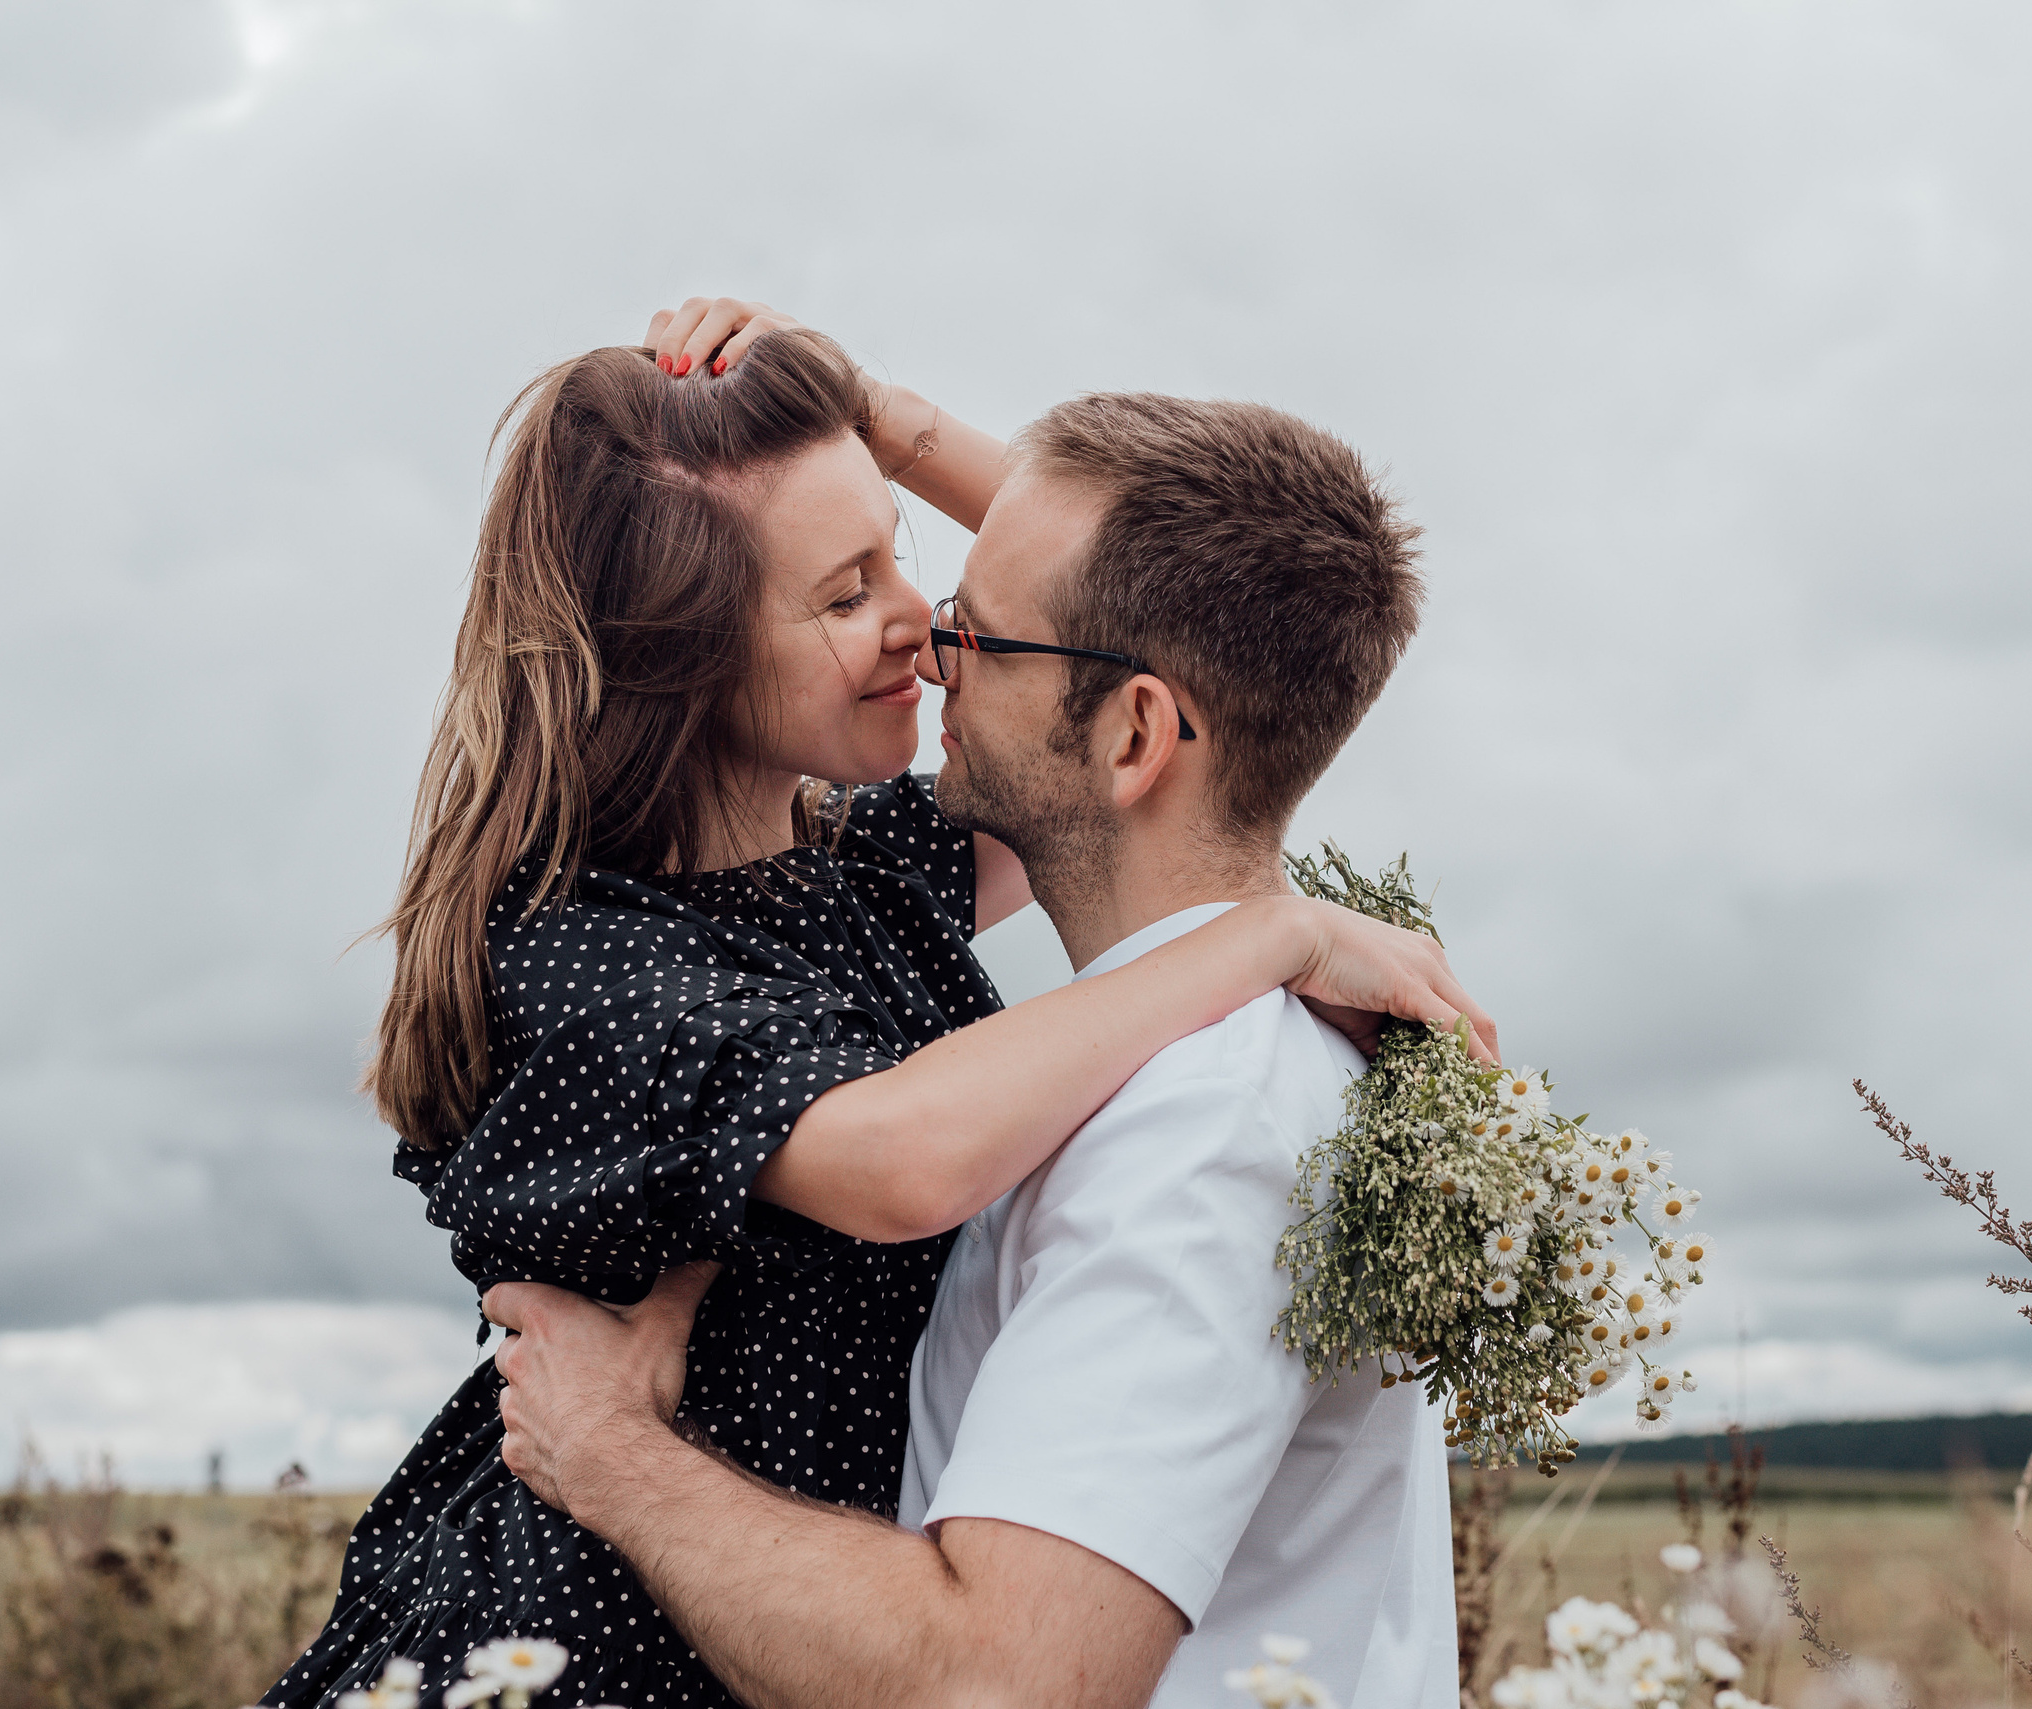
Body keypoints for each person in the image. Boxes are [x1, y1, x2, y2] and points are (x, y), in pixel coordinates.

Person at [264, 299, 1493, 1709]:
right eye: (849, 593)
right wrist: (1268, 934)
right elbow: (907, 1157)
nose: (928, 625)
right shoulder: (594, 960)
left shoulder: (861, 863)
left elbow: (1188, 621)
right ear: (683, 663)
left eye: (911, 562)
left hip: (794, 1608)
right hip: (604, 1638)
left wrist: (872, 416)